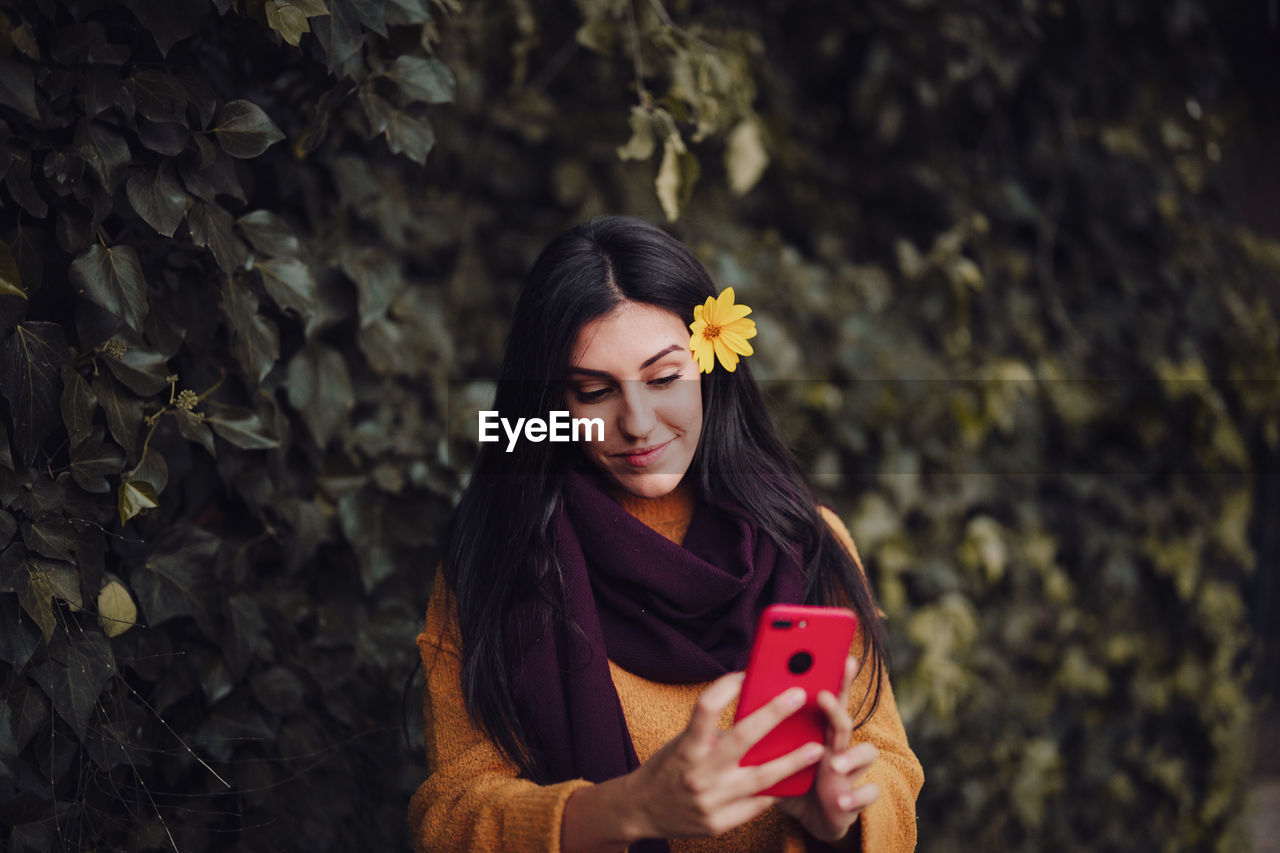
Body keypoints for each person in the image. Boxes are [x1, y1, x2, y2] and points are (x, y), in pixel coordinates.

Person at [409, 216, 923, 852]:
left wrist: (841, 815)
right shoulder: (496, 556)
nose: (638, 422)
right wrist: (629, 809)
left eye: (663, 378)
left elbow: (892, 764)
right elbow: (451, 815)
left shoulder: (805, 539)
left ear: (709, 367)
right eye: (594, 392)